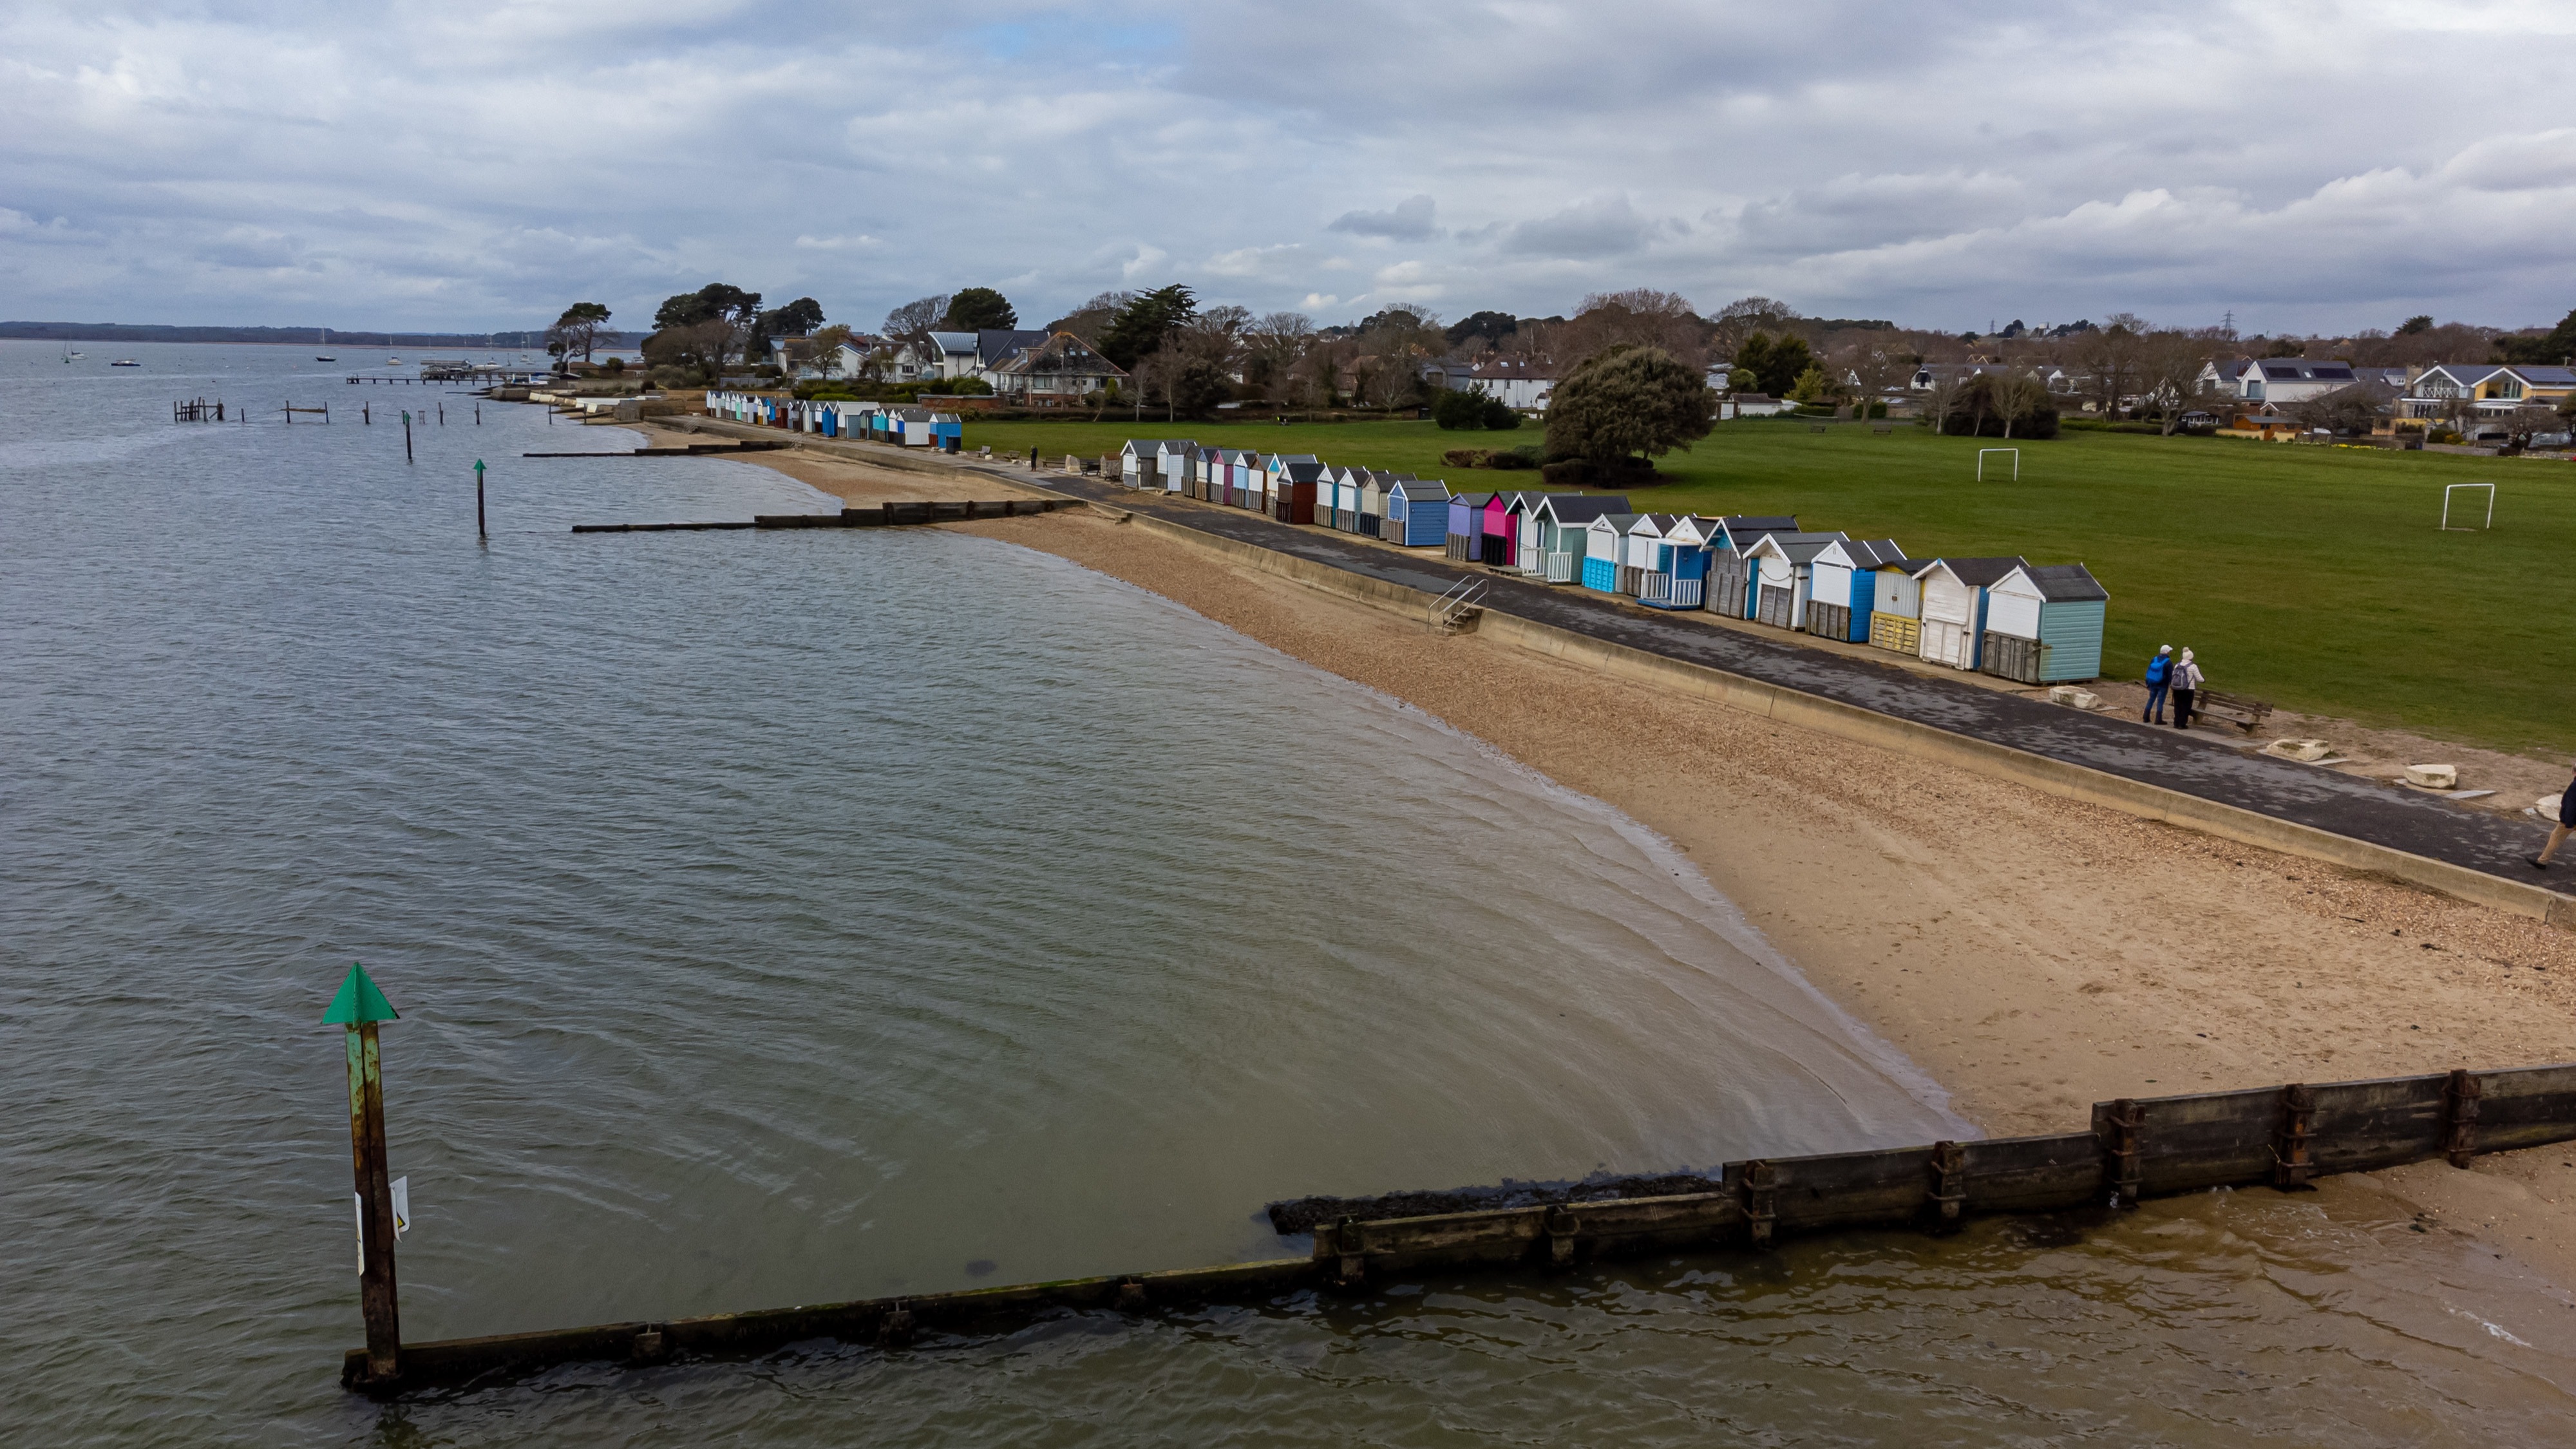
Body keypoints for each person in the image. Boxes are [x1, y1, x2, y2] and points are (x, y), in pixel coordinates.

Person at [2535, 769, 2576, 869]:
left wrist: (2568, 822)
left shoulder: (2574, 787)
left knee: (2555, 838)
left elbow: (2571, 805)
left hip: (2571, 820)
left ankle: (2542, 862)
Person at [2170, 647, 2204, 730]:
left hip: (2177, 688)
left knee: (2177, 705)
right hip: (2188, 689)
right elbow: (2200, 679)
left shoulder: (2178, 665)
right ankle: (2182, 723)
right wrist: (2204, 681)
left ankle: (2176, 722)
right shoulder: (2193, 667)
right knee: (2186, 706)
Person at [2142, 645, 2174, 724]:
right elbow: (2170, 676)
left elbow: (2149, 671)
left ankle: (2146, 717)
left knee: (2151, 699)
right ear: (2167, 652)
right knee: (2160, 702)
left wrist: (2148, 683)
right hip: (2163, 685)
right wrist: (2172, 686)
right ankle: (2158, 719)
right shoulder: (2168, 662)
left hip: (2153, 683)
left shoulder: (2154, 659)